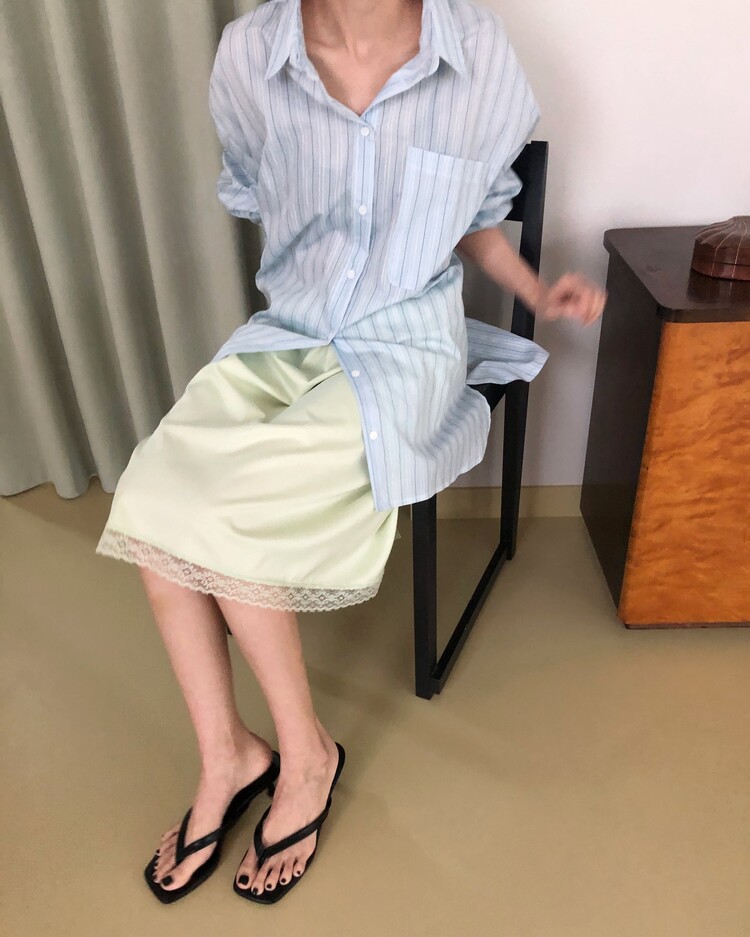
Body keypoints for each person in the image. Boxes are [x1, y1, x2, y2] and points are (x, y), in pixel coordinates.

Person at [95, 0, 607, 906]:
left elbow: (468, 216)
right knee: (153, 490)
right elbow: (262, 195)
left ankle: (307, 756)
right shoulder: (249, 55)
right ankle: (228, 753)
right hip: (287, 336)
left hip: (405, 349)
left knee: (231, 515)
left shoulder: (475, 52)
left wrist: (536, 291)